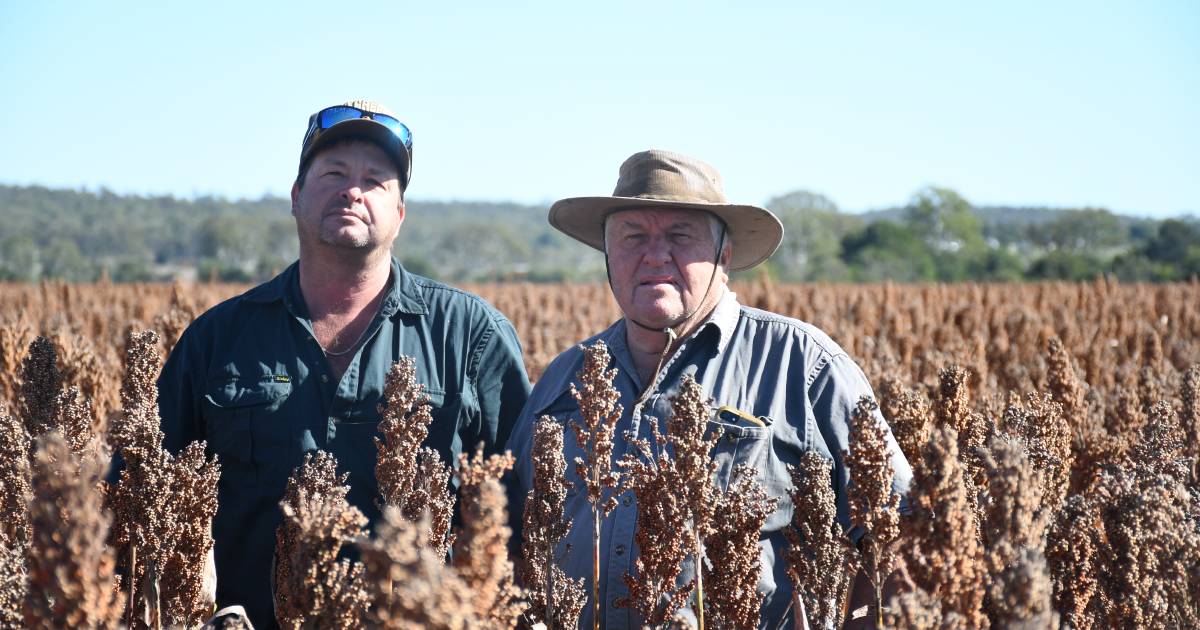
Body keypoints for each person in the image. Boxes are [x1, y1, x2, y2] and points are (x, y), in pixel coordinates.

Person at [158, 100, 531, 628]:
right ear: (296, 196)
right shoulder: (217, 340)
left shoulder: (470, 335)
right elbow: (149, 501)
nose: (352, 190)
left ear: (399, 214)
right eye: (333, 172)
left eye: (375, 181)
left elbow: (523, 514)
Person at [506, 149, 912, 629]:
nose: (655, 254)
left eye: (680, 236)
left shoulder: (802, 363)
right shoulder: (566, 377)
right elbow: (506, 538)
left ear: (724, 255)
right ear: (608, 254)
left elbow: (898, 531)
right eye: (632, 236)